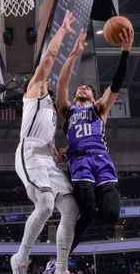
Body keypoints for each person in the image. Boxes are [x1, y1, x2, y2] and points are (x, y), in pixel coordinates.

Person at [10, 10, 86, 274]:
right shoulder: (34, 91)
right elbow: (48, 59)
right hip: (28, 152)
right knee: (43, 205)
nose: (49, 80)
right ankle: (20, 260)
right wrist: (64, 32)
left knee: (71, 209)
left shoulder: (52, 112)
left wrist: (60, 156)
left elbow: (52, 149)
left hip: (45, 158)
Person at [54, 22, 134, 254]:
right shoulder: (66, 111)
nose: (81, 88)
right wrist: (73, 54)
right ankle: (62, 258)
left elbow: (117, 84)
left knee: (109, 214)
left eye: (87, 88)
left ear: (93, 95)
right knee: (88, 211)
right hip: (79, 163)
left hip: (101, 160)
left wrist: (125, 53)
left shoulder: (99, 109)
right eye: (79, 88)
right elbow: (61, 84)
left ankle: (72, 240)